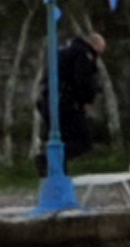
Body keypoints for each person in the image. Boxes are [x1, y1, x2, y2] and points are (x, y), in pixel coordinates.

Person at [42, 25, 107, 166]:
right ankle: (48, 161)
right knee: (84, 141)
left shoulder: (65, 50)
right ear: (95, 46)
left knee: (64, 140)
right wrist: (87, 100)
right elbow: (83, 80)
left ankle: (55, 170)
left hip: (50, 100)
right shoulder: (84, 55)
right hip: (67, 102)